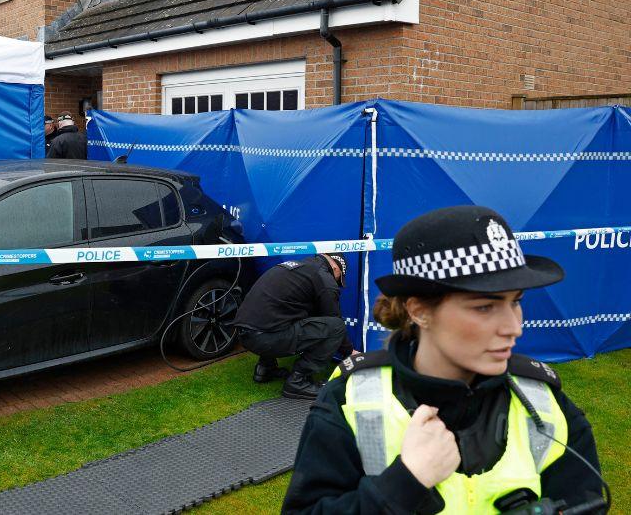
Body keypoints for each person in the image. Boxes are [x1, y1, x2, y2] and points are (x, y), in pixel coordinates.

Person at [282, 206, 603, 514]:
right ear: (419, 310)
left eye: (515, 302)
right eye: (485, 307)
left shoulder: (545, 405)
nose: (514, 327)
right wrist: (403, 484)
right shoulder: (348, 402)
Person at [232, 253, 357, 400]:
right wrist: (349, 352)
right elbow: (335, 322)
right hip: (265, 337)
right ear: (336, 268)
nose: (336, 284)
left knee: (281, 315)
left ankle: (265, 368)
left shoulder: (297, 268)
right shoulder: (324, 279)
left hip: (243, 333)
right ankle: (298, 381)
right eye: (338, 279)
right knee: (336, 327)